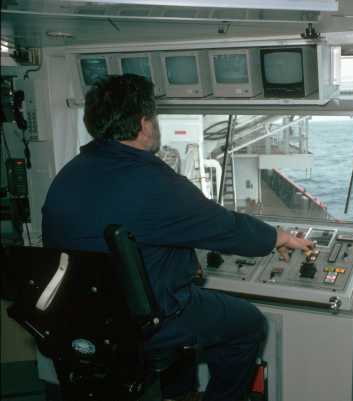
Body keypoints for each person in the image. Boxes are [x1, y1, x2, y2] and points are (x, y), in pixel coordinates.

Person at [42, 74, 313, 401]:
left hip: (81, 318)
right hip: (144, 322)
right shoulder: (153, 180)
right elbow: (225, 228)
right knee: (248, 324)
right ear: (143, 124)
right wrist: (277, 237)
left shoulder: (68, 174)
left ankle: (178, 393)